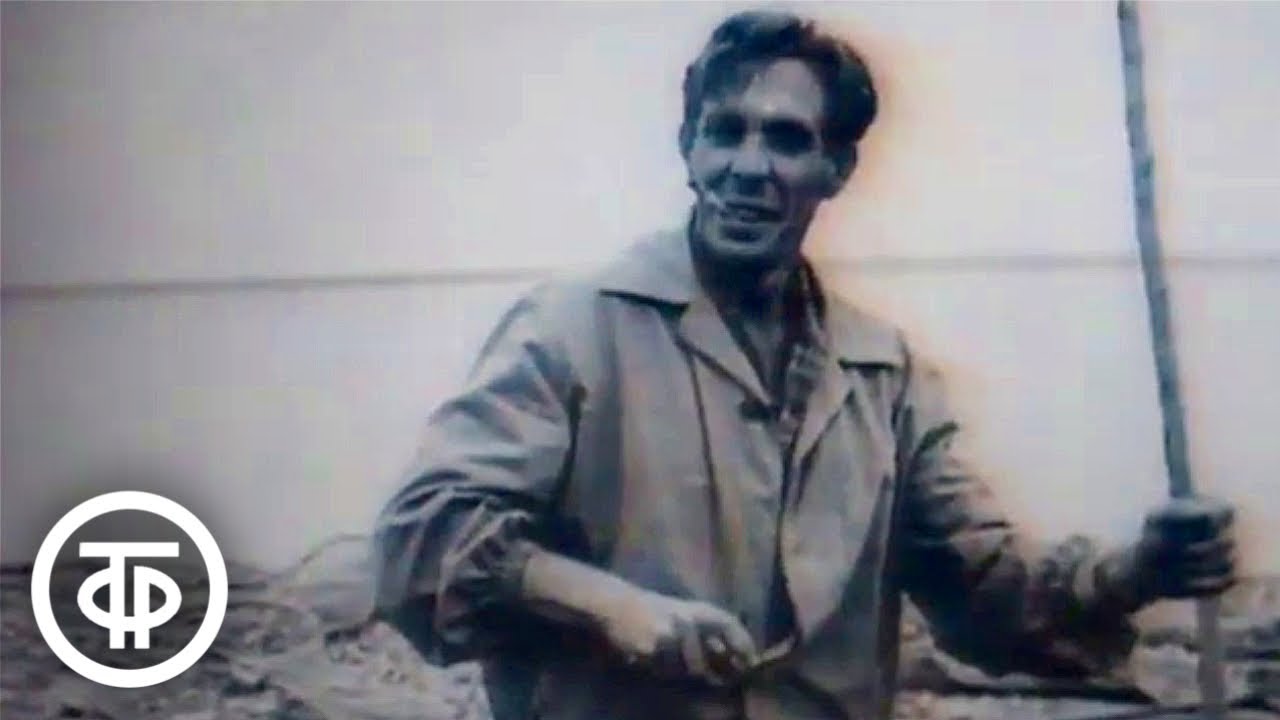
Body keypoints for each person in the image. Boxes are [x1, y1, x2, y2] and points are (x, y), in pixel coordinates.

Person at [372, 10, 1237, 720]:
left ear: (836, 168)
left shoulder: (883, 377)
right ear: (688, 147)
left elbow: (989, 599)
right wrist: (613, 607)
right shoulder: (573, 330)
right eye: (726, 132)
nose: (749, 168)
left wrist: (1139, 570)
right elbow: (424, 542)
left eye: (787, 140)